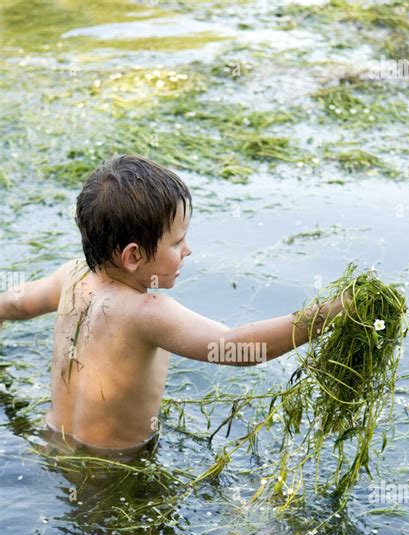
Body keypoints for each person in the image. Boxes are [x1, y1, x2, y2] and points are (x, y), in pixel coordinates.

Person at [0, 154, 347, 452]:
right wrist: (326, 315)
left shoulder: (70, 276)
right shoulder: (147, 313)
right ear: (133, 256)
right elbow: (235, 348)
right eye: (177, 242)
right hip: (116, 470)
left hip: (52, 444)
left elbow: (14, 305)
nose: (188, 251)